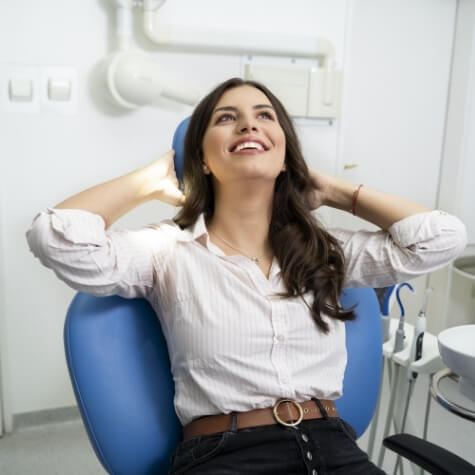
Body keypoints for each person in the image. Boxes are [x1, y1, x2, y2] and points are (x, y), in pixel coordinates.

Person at [26, 77, 467, 475]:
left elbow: (441, 238)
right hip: (227, 456)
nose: (248, 125)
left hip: (336, 450)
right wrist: (150, 180)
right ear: (201, 158)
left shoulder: (327, 253)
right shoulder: (165, 250)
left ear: (284, 156)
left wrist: (334, 191)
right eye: (226, 118)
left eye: (264, 116)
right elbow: (56, 238)